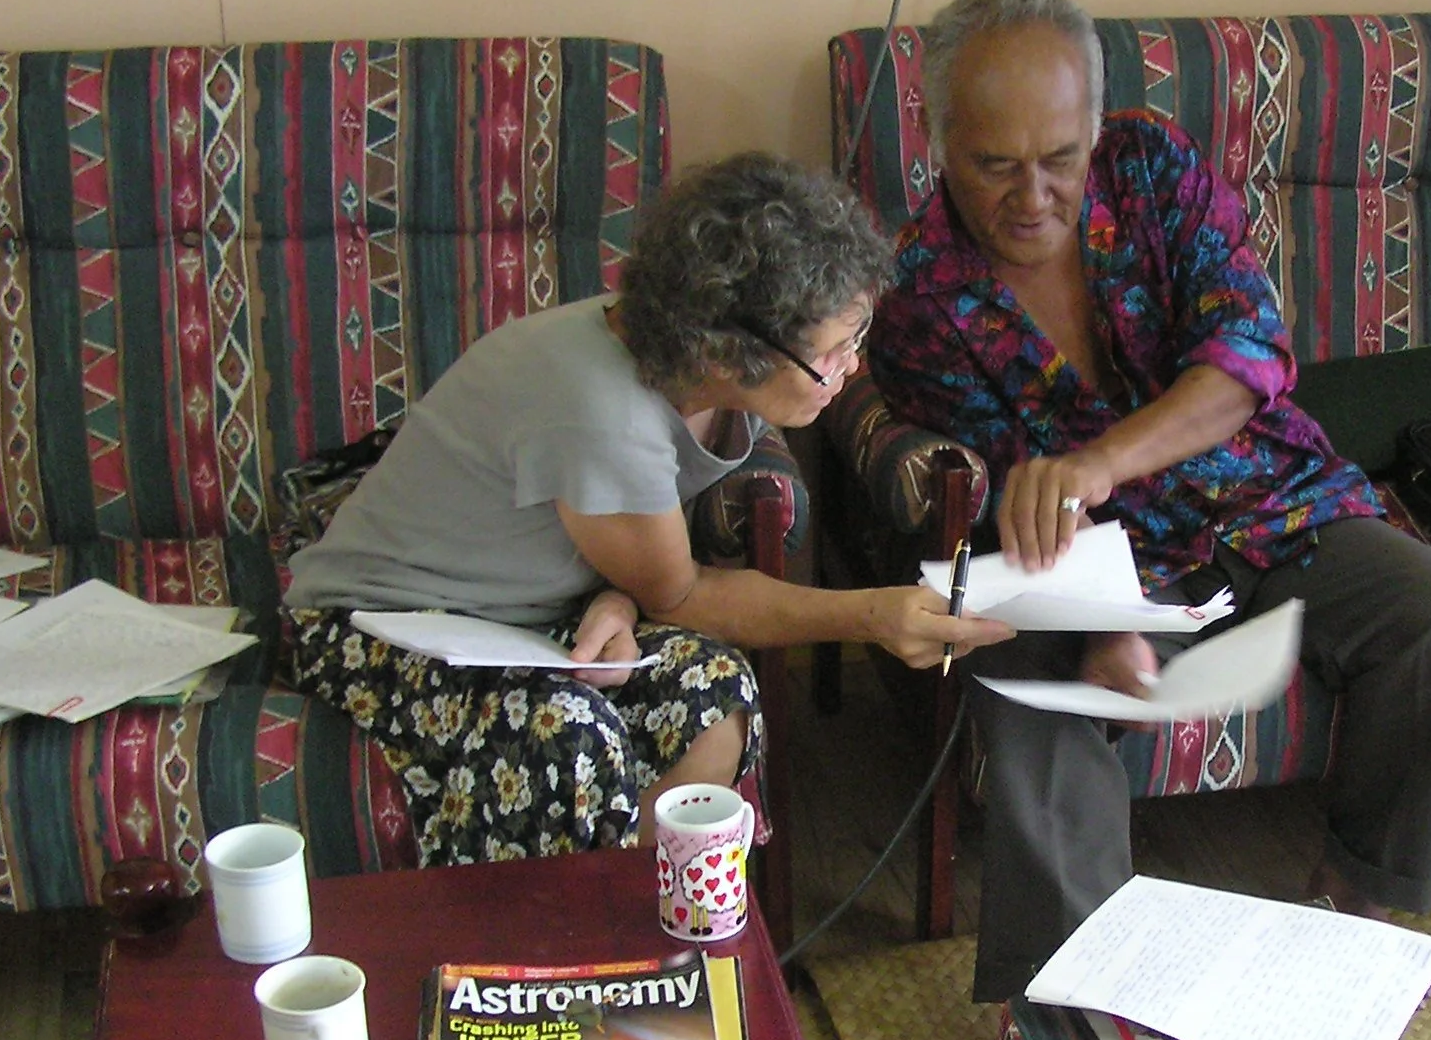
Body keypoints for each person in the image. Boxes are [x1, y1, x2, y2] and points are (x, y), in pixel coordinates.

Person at [867, 0, 1431, 1001]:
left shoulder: (1152, 164)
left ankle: (1350, 901)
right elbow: (1008, 506)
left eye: (1058, 159)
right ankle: (1074, 993)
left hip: (1272, 499)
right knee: (1031, 690)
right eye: (995, 166)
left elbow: (1248, 353)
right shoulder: (920, 298)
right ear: (939, 142)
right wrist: (1097, 622)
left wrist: (1097, 462)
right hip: (1114, 564)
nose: (1032, 194)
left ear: (1091, 129)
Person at [284, 152, 1012, 864]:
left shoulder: (700, 371)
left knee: (716, 695)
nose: (852, 368)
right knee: (560, 738)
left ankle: (655, 906)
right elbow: (684, 591)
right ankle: (576, 949)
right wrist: (872, 615)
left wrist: (618, 600)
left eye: (859, 337)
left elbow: (623, 559)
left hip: (520, 614)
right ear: (729, 349)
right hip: (379, 624)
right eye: (835, 351)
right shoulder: (605, 413)